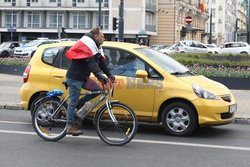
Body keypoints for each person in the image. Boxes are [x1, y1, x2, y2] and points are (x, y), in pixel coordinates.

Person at [65, 27, 115, 136]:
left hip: (83, 78)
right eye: (102, 36)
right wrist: (100, 76)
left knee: (98, 90)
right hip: (75, 78)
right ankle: (69, 126)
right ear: (96, 36)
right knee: (72, 102)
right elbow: (92, 64)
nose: (104, 38)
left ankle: (79, 104)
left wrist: (109, 75)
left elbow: (101, 64)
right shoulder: (87, 46)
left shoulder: (95, 47)